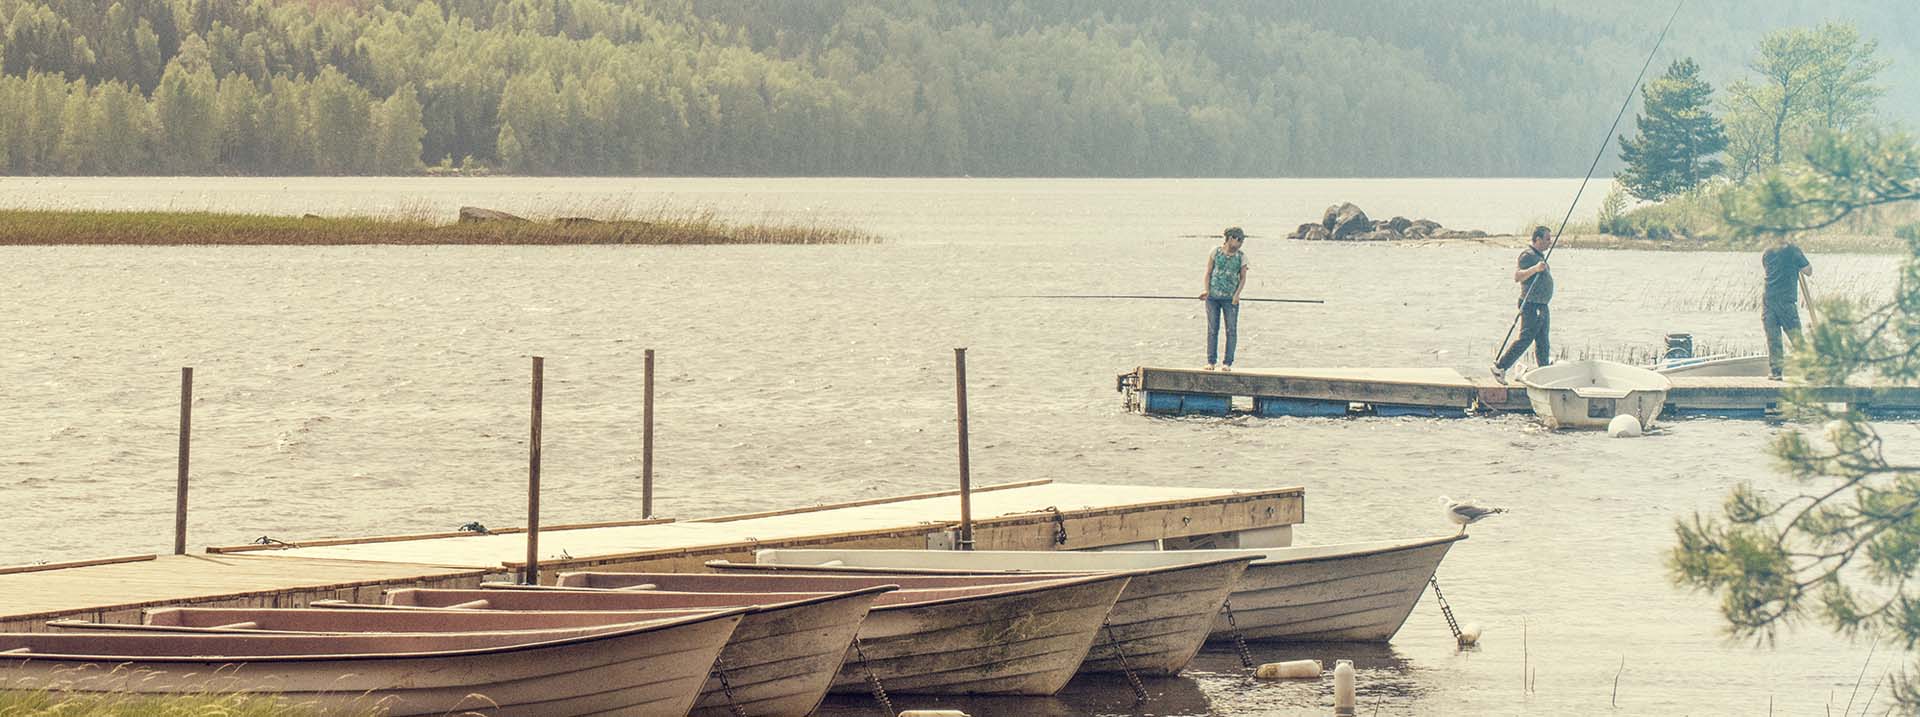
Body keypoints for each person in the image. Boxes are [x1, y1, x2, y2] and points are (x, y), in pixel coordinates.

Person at [1491, 226, 1554, 383]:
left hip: (1541, 305)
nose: (1550, 242)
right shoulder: (1527, 255)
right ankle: (1500, 367)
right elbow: (1518, 276)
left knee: (1543, 342)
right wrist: (1535, 269)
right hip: (1531, 304)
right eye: (1547, 239)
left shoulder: (1539, 256)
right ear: (1538, 239)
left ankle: (1545, 373)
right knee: (1525, 339)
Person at [1761, 238, 1812, 380]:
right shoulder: (1793, 250)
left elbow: (1767, 267)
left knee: (1773, 338)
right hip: (1786, 300)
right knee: (1796, 337)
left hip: (1769, 298)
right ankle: (1810, 371)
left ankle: (1776, 372)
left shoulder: (1767, 251)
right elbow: (1808, 270)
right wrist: (1796, 265)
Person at [1200, 227, 1249, 370]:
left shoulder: (1242, 257)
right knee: (1212, 329)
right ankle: (1211, 362)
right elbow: (1208, 272)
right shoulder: (1215, 252)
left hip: (1230, 299)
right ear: (1230, 238)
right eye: (1238, 239)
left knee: (1231, 330)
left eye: (1242, 240)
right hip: (1212, 298)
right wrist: (1206, 290)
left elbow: (1243, 278)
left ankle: (1227, 363)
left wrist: (1237, 295)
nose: (1240, 243)